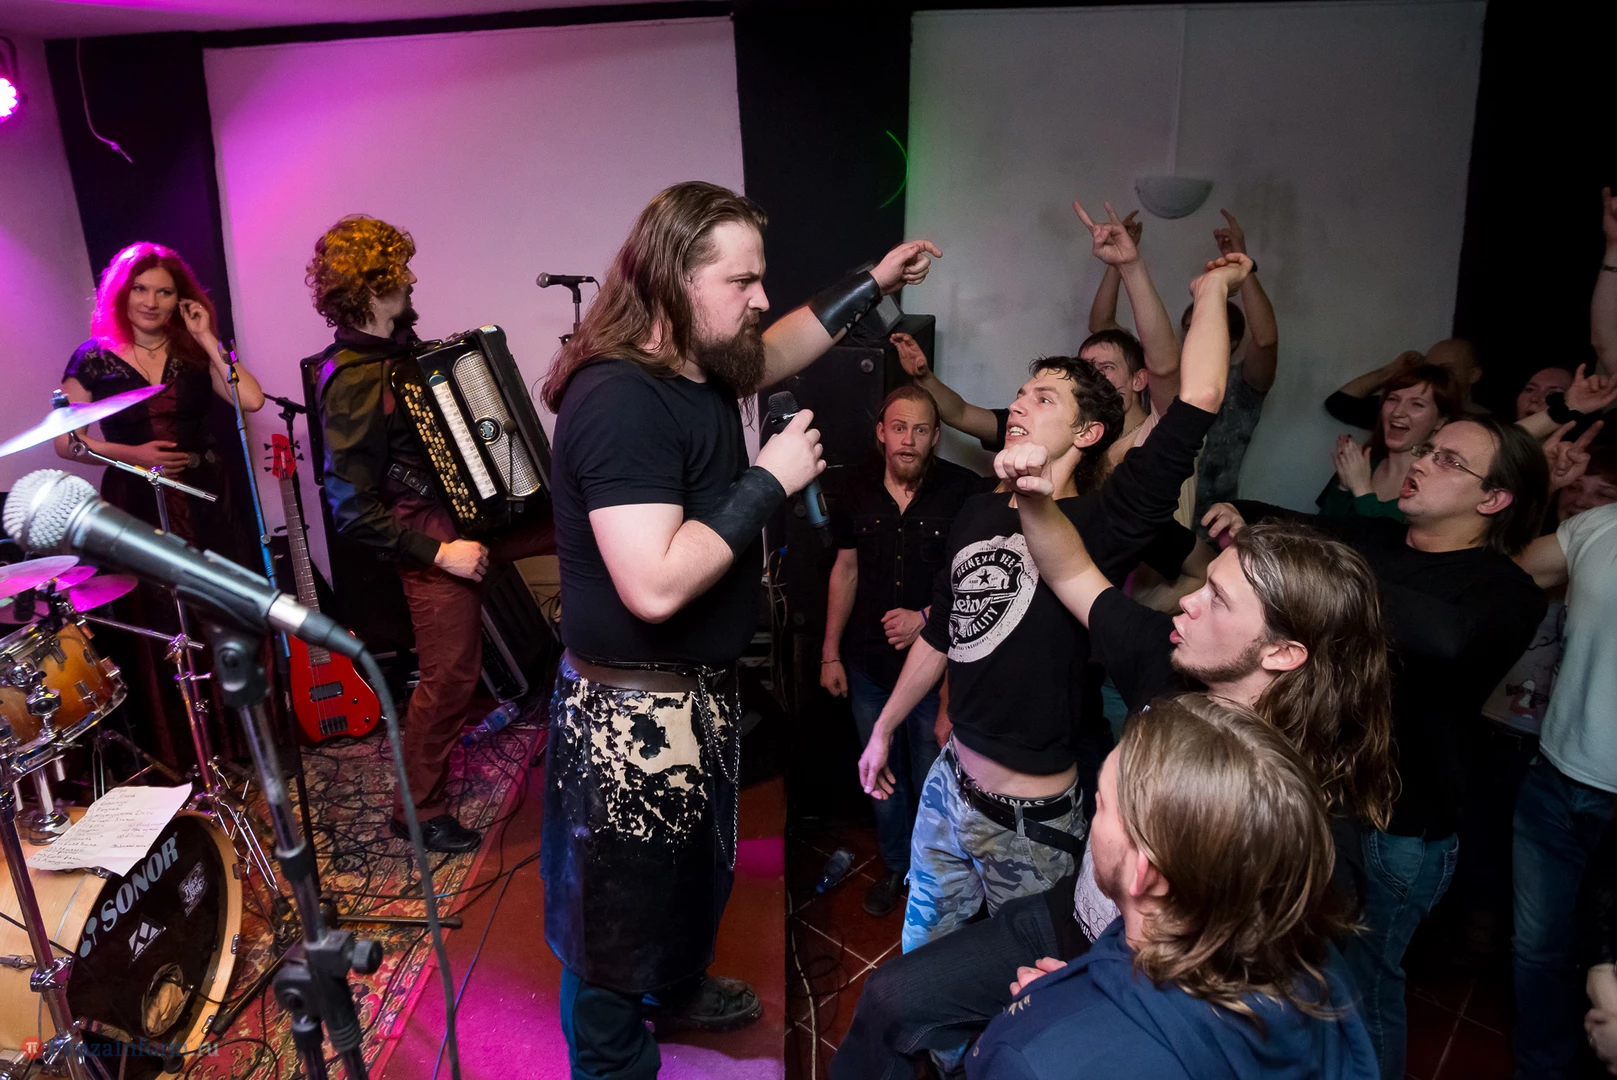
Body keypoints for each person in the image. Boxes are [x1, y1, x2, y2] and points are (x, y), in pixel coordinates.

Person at [538, 180, 939, 1078]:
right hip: (627, 720)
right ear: (672, 279)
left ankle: (674, 987)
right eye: (741, 281)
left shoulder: (703, 361)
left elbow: (782, 341)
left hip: (693, 698)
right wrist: (769, 479)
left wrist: (873, 280)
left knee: (690, 883)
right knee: (614, 927)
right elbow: (652, 584)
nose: (759, 298)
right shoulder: (620, 400)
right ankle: (611, 1062)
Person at [828, 512, 1395, 1080]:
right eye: (1204, 584)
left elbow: (1245, 1011)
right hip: (1072, 919)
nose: (1187, 602)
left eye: (1218, 599)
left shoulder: (1308, 825)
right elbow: (1070, 569)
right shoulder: (1166, 656)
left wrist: (1088, 999)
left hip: (1143, 985)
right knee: (889, 1000)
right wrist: (1035, 494)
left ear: (1282, 652)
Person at [857, 252, 1246, 964]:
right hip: (949, 786)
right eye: (1020, 394)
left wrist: (1214, 289)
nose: (1019, 406)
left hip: (1028, 819)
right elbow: (943, 631)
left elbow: (1199, 395)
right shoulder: (977, 511)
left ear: (1087, 434)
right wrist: (883, 728)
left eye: (1043, 399)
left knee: (1021, 984)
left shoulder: (1107, 520)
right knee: (922, 963)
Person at [1204, 414, 1552, 1079]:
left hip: (1400, 828)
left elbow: (1448, 639)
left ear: (1493, 499)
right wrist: (1240, 517)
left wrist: (1321, 574)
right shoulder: (1372, 538)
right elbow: (1279, 522)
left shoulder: (1504, 591)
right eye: (1428, 449)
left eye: (1448, 460)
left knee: (1363, 992)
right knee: (1298, 965)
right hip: (1322, 799)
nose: (1420, 461)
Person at [965, 696, 1378, 1080]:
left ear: (1144, 874)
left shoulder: (1029, 1060)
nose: (1094, 816)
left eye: (1103, 805)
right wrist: (1078, 1001)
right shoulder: (1319, 969)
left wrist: (1045, 1028)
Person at [309, 215, 552, 855]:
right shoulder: (352, 379)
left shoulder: (401, 355)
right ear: (372, 286)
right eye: (401, 271)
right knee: (450, 679)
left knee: (580, 524)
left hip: (475, 516)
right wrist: (440, 553)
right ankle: (415, 812)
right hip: (431, 541)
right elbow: (348, 506)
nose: (413, 279)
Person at [54, 241, 265, 769]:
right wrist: (132, 454)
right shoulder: (92, 357)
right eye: (141, 289)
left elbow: (252, 400)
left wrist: (207, 336)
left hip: (206, 498)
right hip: (136, 504)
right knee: (163, 623)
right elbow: (66, 442)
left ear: (180, 299)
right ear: (121, 295)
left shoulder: (193, 349)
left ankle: (238, 747)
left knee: (217, 613)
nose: (150, 301)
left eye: (164, 292)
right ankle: (183, 755)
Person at [821, 384, 985, 916]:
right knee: (880, 773)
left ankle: (929, 876)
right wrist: (830, 653)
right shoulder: (853, 487)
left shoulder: (963, 492)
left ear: (935, 437)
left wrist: (925, 619)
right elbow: (845, 570)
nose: (908, 440)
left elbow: (974, 581)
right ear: (881, 433)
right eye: (898, 428)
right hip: (868, 665)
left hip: (934, 672)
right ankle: (895, 867)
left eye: (920, 430)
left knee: (932, 774)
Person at [1511, 495, 1617, 1079]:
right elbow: (1500, 570)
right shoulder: (1600, 524)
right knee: (1539, 954)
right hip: (1554, 778)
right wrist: (1538, 482)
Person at [1318, 363, 1463, 521]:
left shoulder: (1434, 486)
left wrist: (1362, 490)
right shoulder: (1362, 464)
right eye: (1393, 399)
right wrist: (1343, 487)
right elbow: (1321, 528)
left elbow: (1386, 537)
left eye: (1417, 404)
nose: (1397, 412)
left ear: (1440, 422)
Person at [1326, 338, 1483, 423]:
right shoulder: (1406, 411)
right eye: (1429, 368)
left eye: (1446, 369)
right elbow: (1340, 404)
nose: (1435, 375)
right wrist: (1394, 369)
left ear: (1473, 375)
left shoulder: (1484, 424)